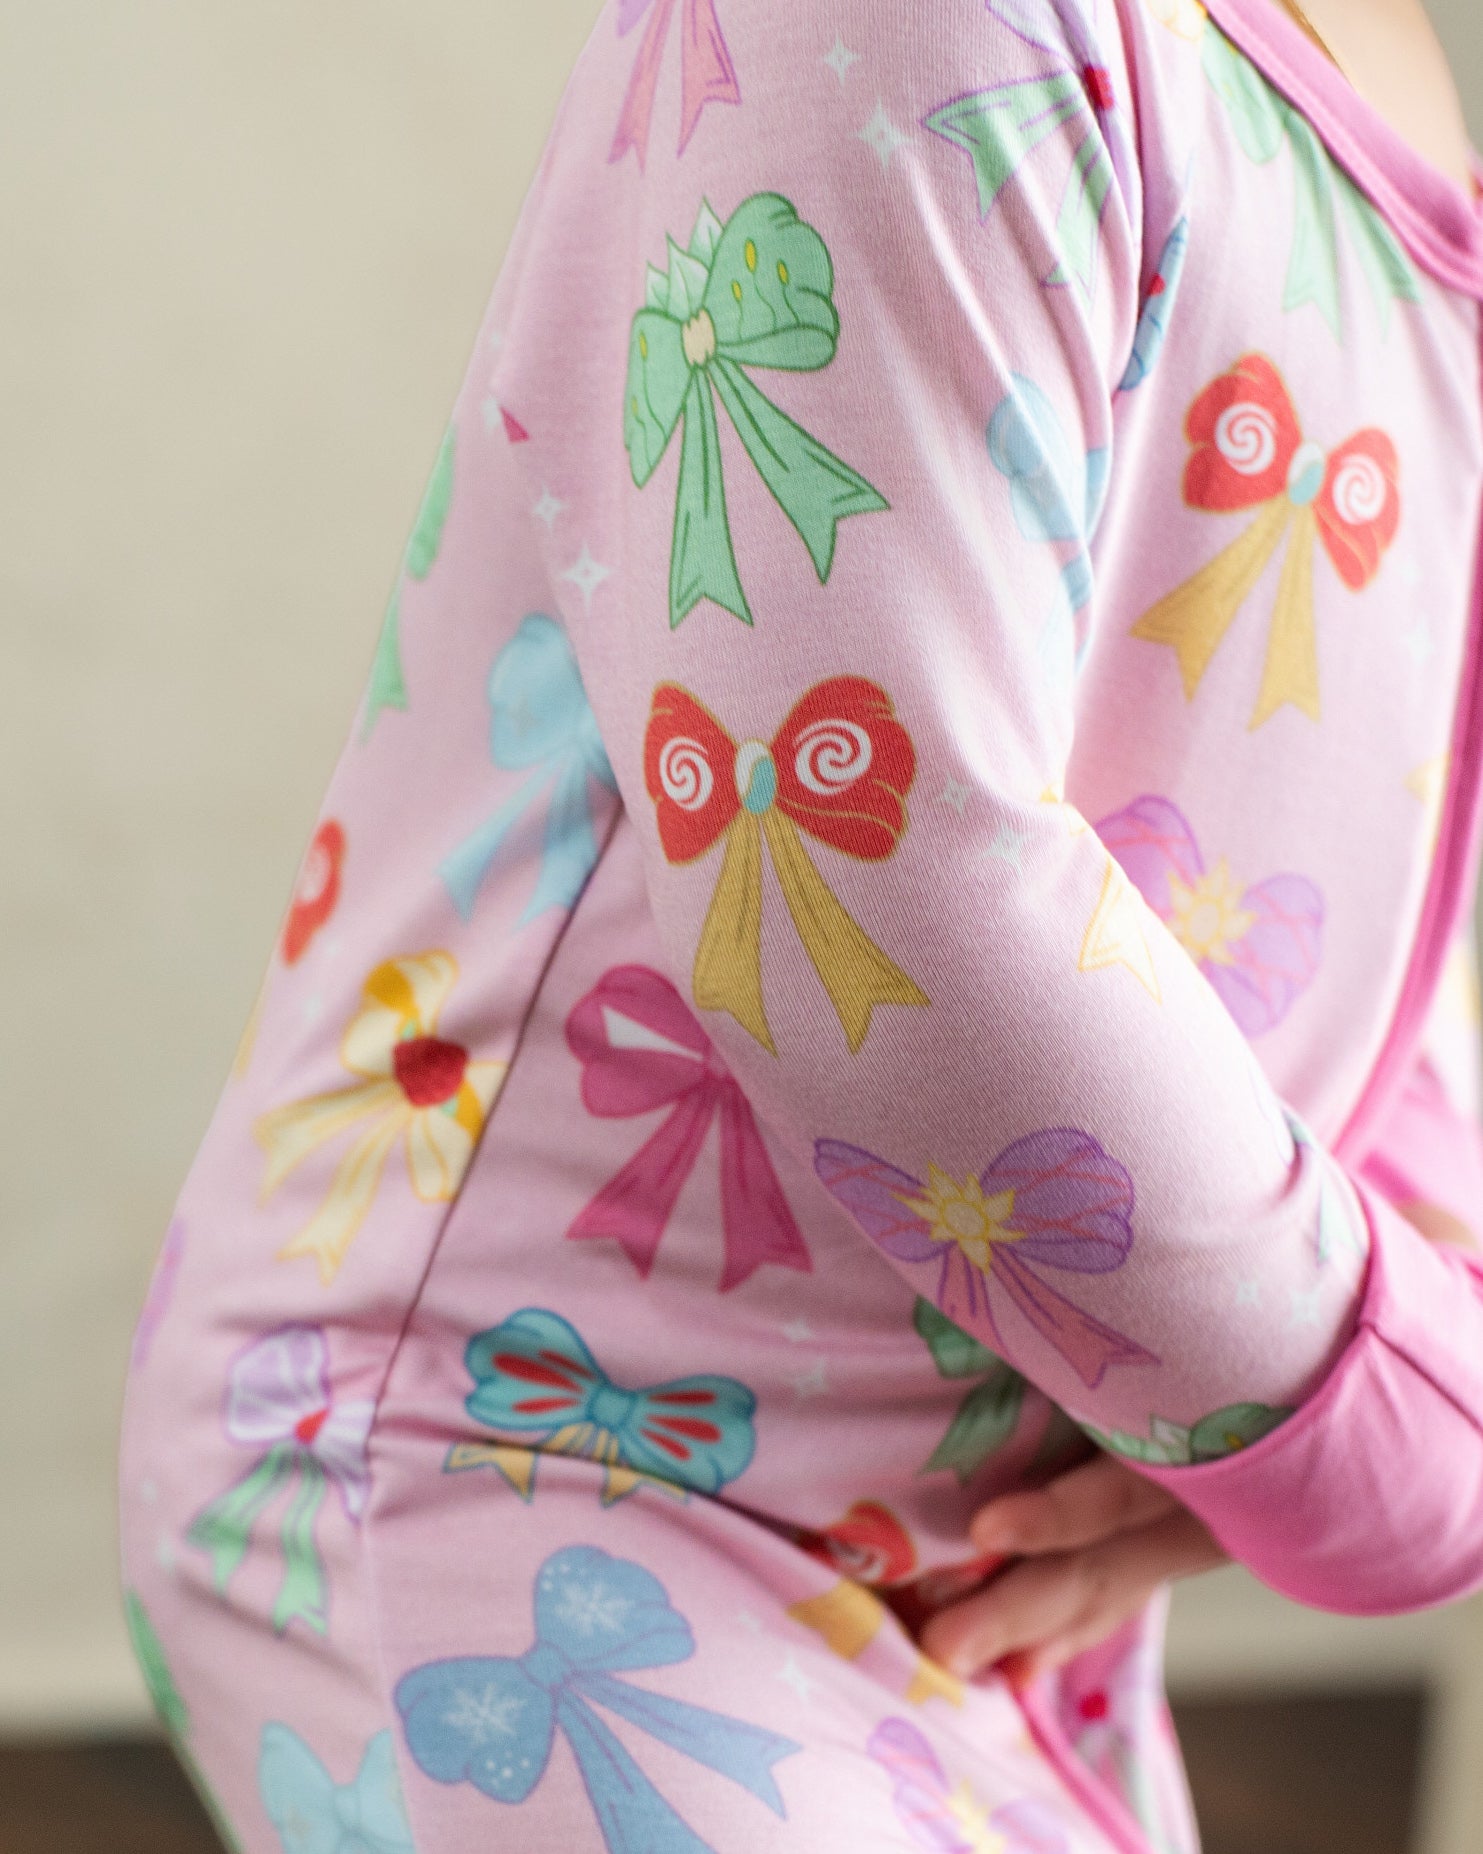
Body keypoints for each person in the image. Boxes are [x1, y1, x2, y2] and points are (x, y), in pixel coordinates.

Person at [119, 0, 1483, 1848]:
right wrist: (1387, 1406)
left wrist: (1420, 1336)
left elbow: (1365, 890)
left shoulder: (1399, 104)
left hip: (980, 1546)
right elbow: (871, 870)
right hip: (536, 1459)